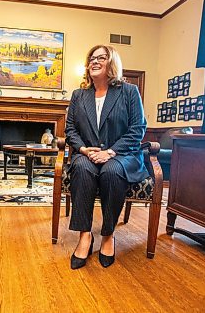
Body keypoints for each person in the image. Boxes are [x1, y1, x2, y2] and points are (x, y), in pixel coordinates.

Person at [65, 45, 148, 269]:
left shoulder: (129, 92)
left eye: (101, 57)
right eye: (91, 58)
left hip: (121, 154)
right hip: (88, 154)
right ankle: (85, 235)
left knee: (112, 171)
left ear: (112, 63)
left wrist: (110, 152)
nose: (94, 61)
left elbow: (137, 128)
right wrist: (83, 149)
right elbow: (70, 129)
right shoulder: (78, 95)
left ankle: (108, 234)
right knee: (81, 168)